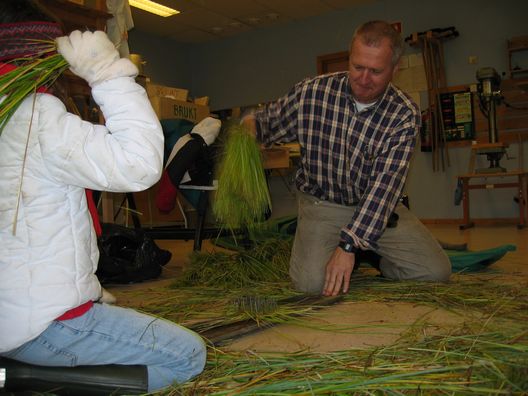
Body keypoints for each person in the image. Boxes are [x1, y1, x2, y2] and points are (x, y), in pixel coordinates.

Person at [0, 0, 207, 392]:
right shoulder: (35, 117)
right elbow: (140, 164)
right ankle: (35, 382)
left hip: (9, 315)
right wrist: (109, 75)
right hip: (40, 324)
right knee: (187, 355)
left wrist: (85, 287)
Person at [244, 20, 451, 296]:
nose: (364, 79)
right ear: (349, 59)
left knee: (435, 272)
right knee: (312, 286)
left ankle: (370, 253)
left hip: (375, 206)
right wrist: (249, 127)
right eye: (357, 67)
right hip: (323, 204)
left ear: (394, 69)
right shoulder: (312, 92)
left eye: (376, 71)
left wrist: (349, 246)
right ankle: (357, 248)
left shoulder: (403, 114)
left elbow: (384, 189)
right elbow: (266, 124)